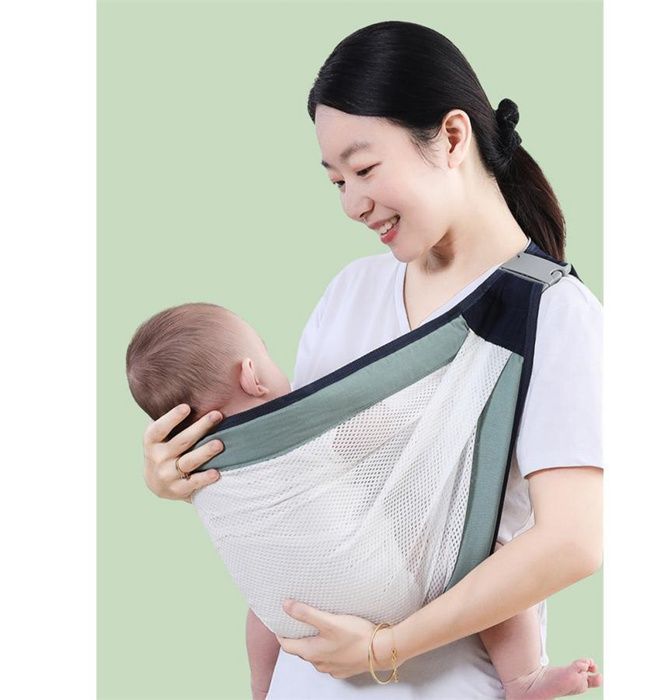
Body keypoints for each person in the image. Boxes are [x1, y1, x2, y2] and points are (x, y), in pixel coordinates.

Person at [140, 20, 603, 700]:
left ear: (452, 137)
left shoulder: (553, 314)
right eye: (335, 181)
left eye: (364, 169)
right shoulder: (348, 293)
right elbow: (302, 488)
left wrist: (383, 648)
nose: (353, 204)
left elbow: (573, 542)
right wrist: (185, 473)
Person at [127, 301, 601, 700]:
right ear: (251, 376)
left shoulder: (199, 471)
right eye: (265, 353)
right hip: (382, 588)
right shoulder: (306, 427)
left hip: (290, 614)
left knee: (263, 606)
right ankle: (524, 679)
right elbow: (388, 427)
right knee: (490, 559)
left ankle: (262, 686)